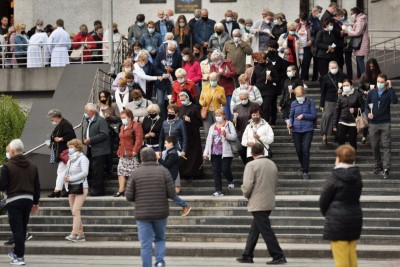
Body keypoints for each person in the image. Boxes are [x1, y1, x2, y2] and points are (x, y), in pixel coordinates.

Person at [237, 143, 286, 265]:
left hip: (257, 201)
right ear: (263, 152)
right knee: (255, 228)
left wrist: (245, 193)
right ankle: (247, 254)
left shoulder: (251, 165)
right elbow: (276, 183)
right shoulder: (272, 164)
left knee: (265, 230)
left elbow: (247, 185)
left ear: (252, 153)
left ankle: (278, 255)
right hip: (269, 200)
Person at [125, 148, 176, 267]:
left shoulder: (135, 173)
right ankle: (159, 262)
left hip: (142, 213)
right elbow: (172, 193)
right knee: (160, 238)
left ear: (141, 158)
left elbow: (128, 195)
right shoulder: (164, 171)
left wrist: (139, 199)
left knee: (145, 244)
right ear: (155, 156)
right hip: (160, 212)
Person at [319, 145, 362, 267]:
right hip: (354, 217)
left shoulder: (335, 176)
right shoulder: (357, 176)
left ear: (338, 158)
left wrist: (327, 213)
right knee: (351, 254)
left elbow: (324, 199)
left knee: (341, 256)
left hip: (337, 219)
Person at [0, 139, 40, 265]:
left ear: (12, 151)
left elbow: (2, 186)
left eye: (8, 151)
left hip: (14, 200)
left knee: (17, 229)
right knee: (22, 228)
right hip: (28, 200)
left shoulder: (7, 166)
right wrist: (36, 202)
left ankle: (19, 257)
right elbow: (37, 186)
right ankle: (16, 252)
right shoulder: (33, 166)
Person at [365, 74, 398, 179]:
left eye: (381, 82)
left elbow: (395, 101)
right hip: (373, 123)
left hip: (385, 123)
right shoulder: (372, 92)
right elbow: (366, 106)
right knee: (374, 146)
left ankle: (386, 168)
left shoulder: (388, 92)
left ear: (385, 82)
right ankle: (378, 164)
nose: (379, 83)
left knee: (386, 145)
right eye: (378, 81)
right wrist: (367, 114)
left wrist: (391, 88)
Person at [203, 108, 237, 196]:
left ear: (224, 115)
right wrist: (205, 153)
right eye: (217, 115)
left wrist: (226, 135)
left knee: (225, 169)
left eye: (220, 115)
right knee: (216, 171)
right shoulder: (212, 126)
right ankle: (218, 190)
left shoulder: (229, 124)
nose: (218, 117)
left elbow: (234, 136)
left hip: (226, 151)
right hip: (214, 152)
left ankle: (230, 179)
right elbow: (208, 141)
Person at [157, 135, 191, 216]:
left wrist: (159, 158)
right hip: (169, 175)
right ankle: (184, 206)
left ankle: (185, 206)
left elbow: (167, 164)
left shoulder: (173, 153)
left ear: (171, 143)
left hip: (170, 176)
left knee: (167, 193)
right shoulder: (171, 152)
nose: (164, 145)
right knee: (166, 193)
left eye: (166, 143)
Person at [288, 86, 317, 180]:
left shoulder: (310, 102)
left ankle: (305, 171)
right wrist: (290, 123)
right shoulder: (293, 103)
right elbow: (291, 116)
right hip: (296, 130)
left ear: (304, 94)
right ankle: (303, 165)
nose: (298, 97)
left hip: (308, 129)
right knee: (298, 150)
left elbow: (314, 115)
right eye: (297, 95)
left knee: (305, 150)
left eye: (300, 95)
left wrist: (303, 115)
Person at [63, 139, 90, 242]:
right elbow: (68, 173)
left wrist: (71, 179)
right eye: (68, 147)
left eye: (71, 147)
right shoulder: (71, 159)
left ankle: (73, 234)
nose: (69, 149)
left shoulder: (83, 158)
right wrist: (66, 181)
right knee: (74, 212)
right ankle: (81, 234)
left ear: (77, 147)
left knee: (75, 210)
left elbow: (84, 173)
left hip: (81, 187)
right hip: (72, 187)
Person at [47, 109, 77, 198]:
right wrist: (51, 143)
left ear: (56, 117)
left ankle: (57, 190)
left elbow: (71, 136)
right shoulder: (62, 124)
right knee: (66, 171)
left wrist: (61, 139)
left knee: (61, 171)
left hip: (66, 151)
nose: (51, 121)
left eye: (51, 119)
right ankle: (67, 190)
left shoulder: (65, 124)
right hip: (63, 151)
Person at [83, 103, 110, 196]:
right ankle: (95, 189)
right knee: (93, 170)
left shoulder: (100, 120)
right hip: (91, 149)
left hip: (100, 150)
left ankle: (98, 190)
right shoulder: (88, 120)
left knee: (98, 171)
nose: (85, 113)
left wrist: (90, 140)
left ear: (92, 111)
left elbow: (104, 134)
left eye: (86, 111)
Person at [114, 109, 143, 197]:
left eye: (124, 117)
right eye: (121, 118)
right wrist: (119, 150)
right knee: (121, 172)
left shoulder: (136, 125)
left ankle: (133, 191)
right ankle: (121, 190)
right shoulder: (122, 126)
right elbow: (121, 140)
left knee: (133, 174)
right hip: (123, 153)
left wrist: (135, 150)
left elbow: (139, 139)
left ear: (130, 117)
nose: (122, 119)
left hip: (132, 153)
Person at [153, 40, 182, 120]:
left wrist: (172, 70)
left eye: (173, 50)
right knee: (160, 103)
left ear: (175, 49)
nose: (171, 51)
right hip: (161, 81)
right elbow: (155, 67)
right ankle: (162, 120)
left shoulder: (178, 56)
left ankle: (172, 118)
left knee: (172, 102)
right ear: (167, 48)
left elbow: (180, 68)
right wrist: (162, 74)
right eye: (170, 49)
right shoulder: (160, 54)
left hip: (172, 82)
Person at [178, 90, 203, 180]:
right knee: (185, 153)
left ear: (188, 97)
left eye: (183, 98)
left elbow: (200, 123)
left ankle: (194, 173)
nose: (181, 100)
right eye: (180, 98)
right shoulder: (181, 108)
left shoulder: (195, 108)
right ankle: (184, 173)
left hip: (193, 134)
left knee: (194, 154)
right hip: (183, 134)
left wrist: (191, 120)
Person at [251, 52, 280, 127]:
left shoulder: (271, 67)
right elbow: (253, 79)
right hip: (258, 90)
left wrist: (271, 79)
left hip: (269, 90)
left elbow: (277, 79)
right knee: (260, 107)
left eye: (261, 61)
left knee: (266, 107)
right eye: (259, 61)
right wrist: (253, 88)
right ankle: (261, 122)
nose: (260, 62)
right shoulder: (257, 67)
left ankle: (266, 122)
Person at [333, 79, 364, 150]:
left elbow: (363, 107)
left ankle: (352, 158)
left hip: (353, 121)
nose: (345, 87)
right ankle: (341, 157)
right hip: (342, 121)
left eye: (347, 85)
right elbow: (337, 111)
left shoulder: (357, 94)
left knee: (352, 140)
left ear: (351, 86)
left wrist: (355, 110)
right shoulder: (340, 96)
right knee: (341, 140)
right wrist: (334, 124)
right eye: (344, 86)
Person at [320, 61, 346, 144]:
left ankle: (337, 135)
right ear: (329, 68)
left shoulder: (342, 76)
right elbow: (323, 91)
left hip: (341, 99)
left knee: (338, 117)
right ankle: (324, 135)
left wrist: (342, 90)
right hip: (329, 99)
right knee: (326, 117)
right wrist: (321, 104)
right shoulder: (325, 78)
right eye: (332, 68)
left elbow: (348, 85)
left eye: (335, 67)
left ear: (338, 67)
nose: (334, 69)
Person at [358, 58, 381, 143]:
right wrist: (365, 92)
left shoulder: (379, 75)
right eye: (370, 66)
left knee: (375, 117)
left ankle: (375, 135)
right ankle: (364, 135)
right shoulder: (364, 75)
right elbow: (359, 87)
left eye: (373, 66)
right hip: (366, 99)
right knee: (366, 117)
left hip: (377, 99)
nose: (371, 68)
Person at [233, 91, 259, 164]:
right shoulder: (237, 107)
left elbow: (259, 116)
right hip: (240, 132)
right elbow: (235, 121)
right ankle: (247, 165)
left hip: (252, 132)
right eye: (241, 99)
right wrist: (234, 120)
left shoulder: (254, 105)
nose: (243, 100)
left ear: (248, 97)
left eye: (245, 98)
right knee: (242, 151)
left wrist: (254, 119)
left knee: (252, 153)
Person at [209, 50, 236, 120]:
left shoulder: (227, 62)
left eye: (216, 59)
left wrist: (224, 73)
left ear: (220, 57)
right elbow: (211, 77)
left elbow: (234, 73)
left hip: (228, 89)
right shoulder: (212, 65)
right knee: (221, 109)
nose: (215, 61)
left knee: (230, 108)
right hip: (217, 89)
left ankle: (232, 122)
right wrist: (218, 74)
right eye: (213, 60)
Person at [343, 7, 369, 79]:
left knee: (360, 59)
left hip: (361, 43)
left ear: (355, 13)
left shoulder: (360, 20)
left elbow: (357, 32)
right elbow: (356, 24)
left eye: (352, 14)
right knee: (358, 59)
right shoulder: (359, 19)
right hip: (360, 42)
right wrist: (349, 24)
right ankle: (360, 76)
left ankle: (364, 76)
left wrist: (347, 32)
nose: (351, 15)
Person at [199, 72, 227, 136]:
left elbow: (224, 102)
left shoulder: (221, 89)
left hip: (217, 111)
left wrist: (220, 99)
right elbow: (200, 100)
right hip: (206, 111)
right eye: (211, 80)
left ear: (217, 80)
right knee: (207, 130)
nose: (213, 81)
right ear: (209, 80)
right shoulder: (204, 88)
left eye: (214, 80)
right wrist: (203, 103)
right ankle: (208, 144)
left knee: (218, 129)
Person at [308, 5, 323, 81]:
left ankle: (315, 76)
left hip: (317, 43)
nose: (320, 14)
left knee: (316, 60)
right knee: (307, 61)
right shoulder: (309, 19)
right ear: (314, 11)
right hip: (311, 43)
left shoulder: (317, 20)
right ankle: (305, 77)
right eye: (319, 12)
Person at [297, 13, 312, 81]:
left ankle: (303, 78)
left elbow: (313, 34)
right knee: (297, 62)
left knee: (305, 62)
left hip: (306, 46)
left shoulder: (310, 24)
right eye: (301, 20)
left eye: (304, 20)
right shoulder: (296, 23)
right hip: (297, 46)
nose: (303, 21)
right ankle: (296, 77)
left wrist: (311, 41)